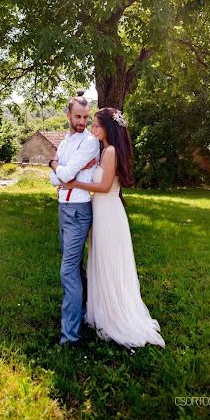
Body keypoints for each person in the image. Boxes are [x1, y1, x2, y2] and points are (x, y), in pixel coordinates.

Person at [60, 107, 166, 349]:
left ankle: (113, 316)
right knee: (101, 262)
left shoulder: (109, 151)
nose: (92, 128)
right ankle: (102, 311)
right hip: (103, 212)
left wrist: (74, 182)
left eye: (96, 125)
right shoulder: (106, 150)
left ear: (108, 128)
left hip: (107, 213)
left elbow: (106, 186)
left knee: (107, 263)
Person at [49, 93, 100, 346]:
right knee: (75, 267)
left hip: (79, 210)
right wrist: (58, 170)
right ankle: (84, 313)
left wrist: (53, 165)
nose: (82, 121)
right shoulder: (64, 142)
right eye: (78, 116)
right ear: (68, 115)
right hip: (63, 208)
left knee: (67, 270)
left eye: (86, 117)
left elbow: (66, 173)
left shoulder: (90, 143)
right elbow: (56, 179)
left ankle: (70, 335)